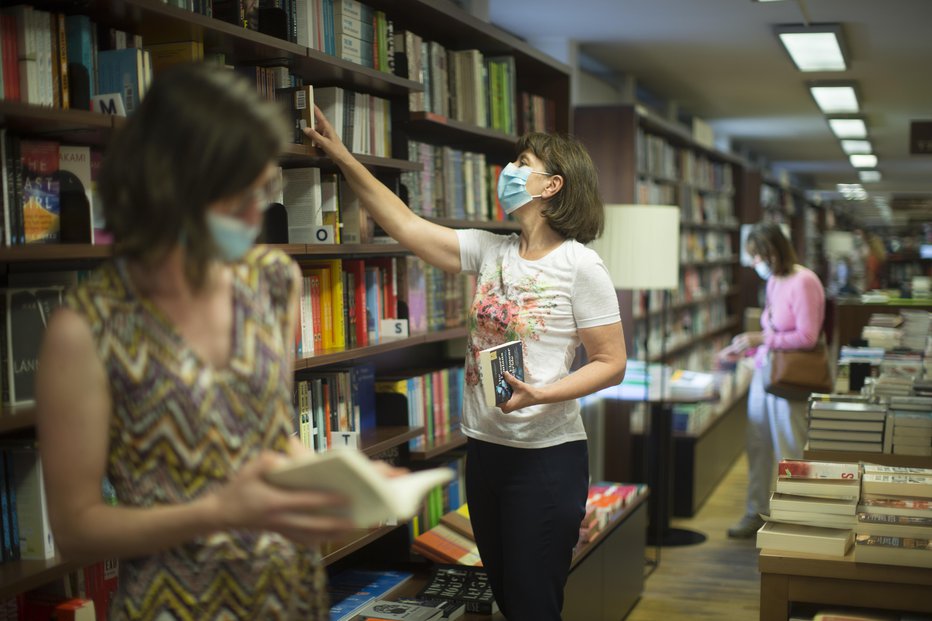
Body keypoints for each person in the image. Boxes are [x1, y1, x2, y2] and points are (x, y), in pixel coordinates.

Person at [35, 64, 356, 620]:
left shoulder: (271, 282)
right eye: (237, 202)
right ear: (169, 191)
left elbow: (273, 437)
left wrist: (338, 484)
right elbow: (76, 529)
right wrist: (217, 511)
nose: (256, 218)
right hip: (174, 604)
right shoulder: (86, 329)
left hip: (291, 595)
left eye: (262, 193)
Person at [304, 110, 627, 620]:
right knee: (505, 597)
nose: (509, 170)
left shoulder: (580, 264)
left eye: (523, 163)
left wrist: (544, 393)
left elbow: (612, 363)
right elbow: (405, 224)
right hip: (485, 452)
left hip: (545, 459)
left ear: (552, 185)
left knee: (532, 606)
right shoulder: (491, 250)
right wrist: (343, 157)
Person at [720, 222, 826, 538]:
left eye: (757, 256)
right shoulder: (776, 282)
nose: (755, 263)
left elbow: (807, 336)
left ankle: (797, 518)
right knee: (757, 445)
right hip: (765, 373)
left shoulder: (804, 281)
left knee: (789, 447)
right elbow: (772, 335)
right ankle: (755, 512)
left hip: (790, 379)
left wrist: (760, 337)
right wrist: (746, 352)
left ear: (773, 252)